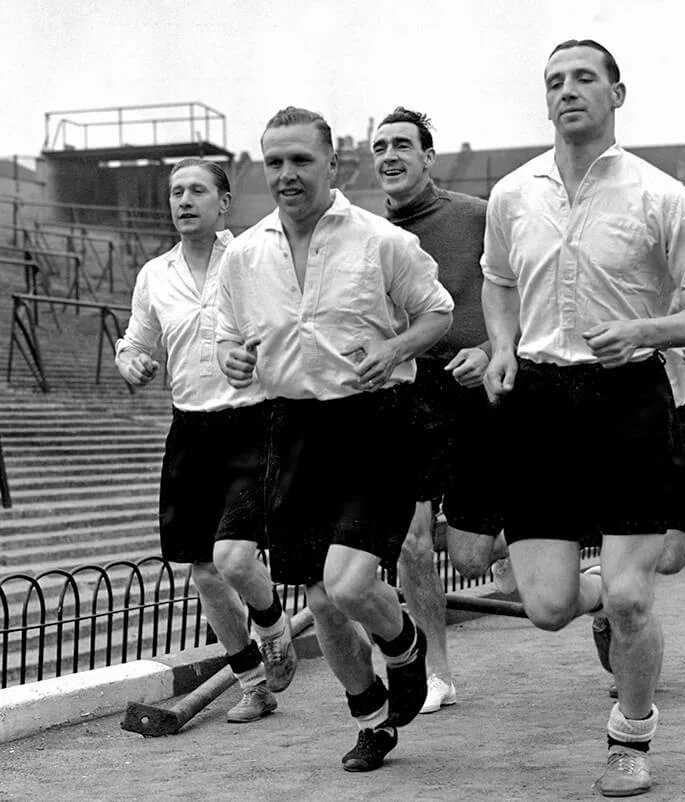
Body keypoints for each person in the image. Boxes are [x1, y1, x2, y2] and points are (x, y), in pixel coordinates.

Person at [481, 40, 685, 796]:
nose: (567, 90)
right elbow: (497, 281)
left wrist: (645, 331)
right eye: (554, 81)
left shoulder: (660, 195)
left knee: (635, 598)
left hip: (628, 398)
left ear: (616, 94)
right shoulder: (512, 194)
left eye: (584, 78)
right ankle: (597, 591)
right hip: (539, 405)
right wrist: (501, 346)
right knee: (547, 607)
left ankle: (630, 739)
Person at [216, 107, 454, 772]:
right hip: (291, 429)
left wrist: (396, 347)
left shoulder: (381, 241)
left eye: (301, 160)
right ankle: (371, 719)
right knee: (321, 599)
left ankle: (403, 645)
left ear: (333, 164)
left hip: (375, 423)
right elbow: (228, 338)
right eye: (275, 162)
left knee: (348, 586)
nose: (287, 174)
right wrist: (233, 359)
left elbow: (438, 312)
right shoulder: (244, 255)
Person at [115, 158, 297, 725]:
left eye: (197, 190)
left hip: (253, 421)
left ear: (224, 203)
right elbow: (134, 341)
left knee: (234, 557)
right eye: (176, 192)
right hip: (190, 430)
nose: (184, 200)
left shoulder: (253, 259)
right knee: (204, 572)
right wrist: (131, 362)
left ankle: (273, 627)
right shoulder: (155, 274)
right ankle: (253, 685)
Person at [371, 106, 509, 715]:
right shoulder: (368, 236)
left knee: (471, 557)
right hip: (411, 393)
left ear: (428, 156)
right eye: (380, 147)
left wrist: (491, 350)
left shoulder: (479, 216)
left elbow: (530, 293)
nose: (390, 155)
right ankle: (436, 675)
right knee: (411, 541)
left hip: (480, 386)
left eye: (403, 144)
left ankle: (526, 549)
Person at [591, 340, 685, 697]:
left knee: (672, 558)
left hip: (671, 416)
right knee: (623, 551)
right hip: (605, 419)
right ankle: (620, 629)